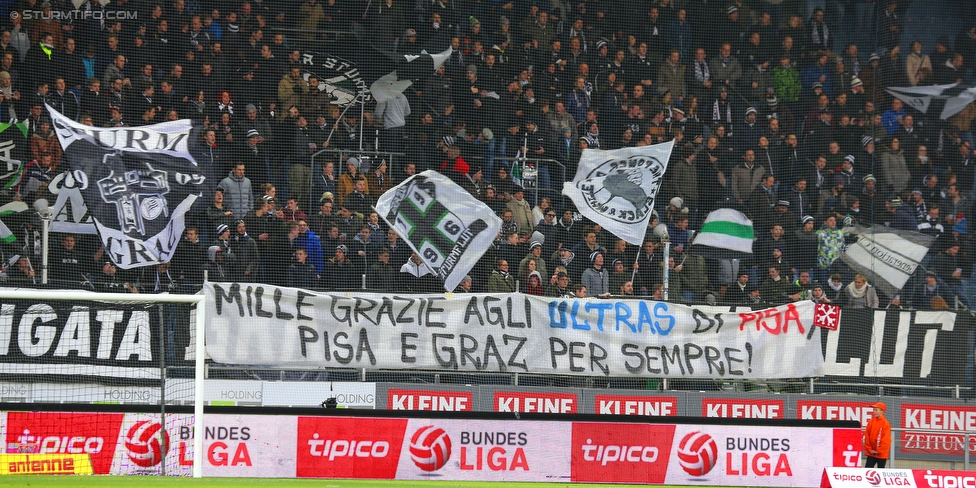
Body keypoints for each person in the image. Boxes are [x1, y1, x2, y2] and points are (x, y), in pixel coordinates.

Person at [864, 401, 891, 468]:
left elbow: (886, 440)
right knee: (867, 471)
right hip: (871, 453)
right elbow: (867, 436)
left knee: (880, 472)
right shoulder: (871, 422)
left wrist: (879, 451)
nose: (874, 412)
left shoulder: (886, 424)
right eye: (874, 410)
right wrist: (869, 449)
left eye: (876, 410)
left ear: (882, 411)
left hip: (881, 454)